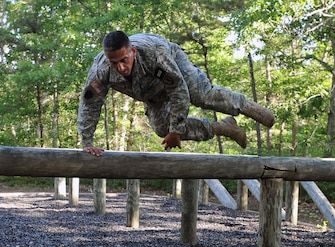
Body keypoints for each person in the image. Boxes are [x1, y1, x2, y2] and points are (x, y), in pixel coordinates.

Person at [78, 31, 275, 156]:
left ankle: (246, 106)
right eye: (114, 63)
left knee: (201, 95)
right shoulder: (100, 71)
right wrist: (87, 142)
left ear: (133, 52)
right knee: (163, 129)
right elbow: (90, 104)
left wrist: (177, 130)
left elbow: (178, 90)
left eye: (124, 60)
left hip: (173, 65)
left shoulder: (154, 54)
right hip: (149, 90)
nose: (120, 67)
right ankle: (223, 128)